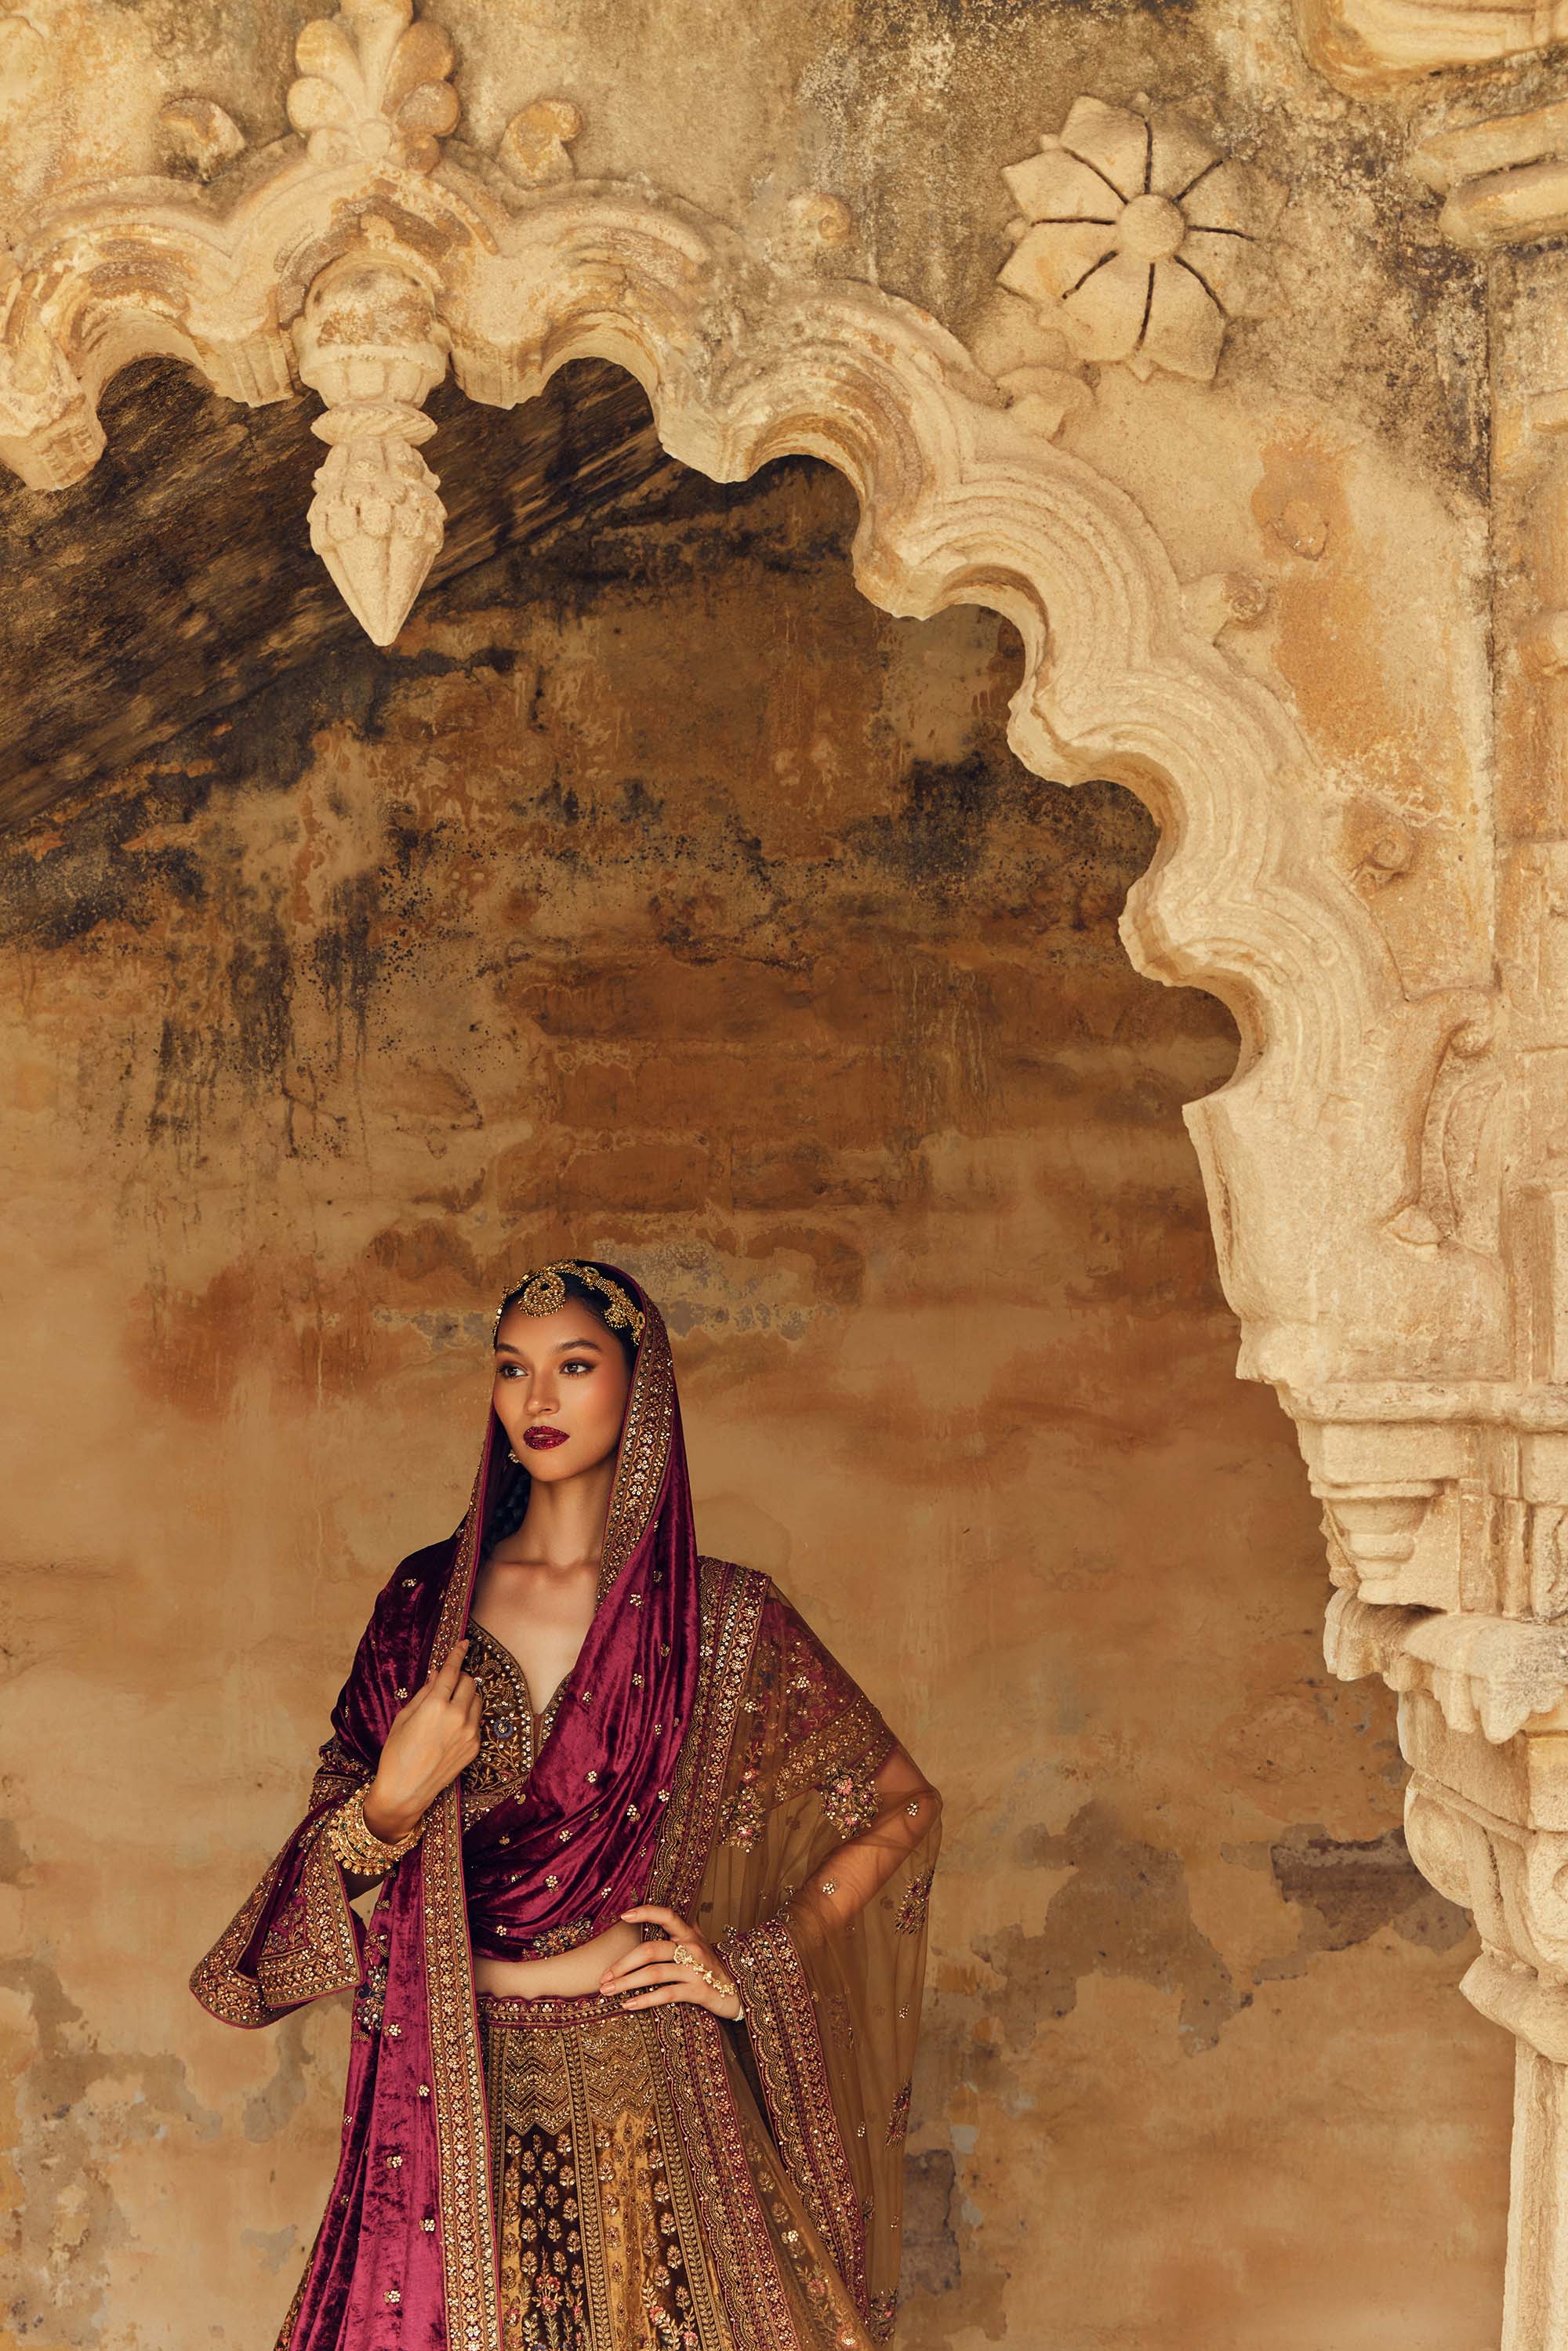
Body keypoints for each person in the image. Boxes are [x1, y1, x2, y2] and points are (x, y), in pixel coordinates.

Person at [191, 1258, 942, 2351]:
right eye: (513, 1369)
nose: (536, 1399)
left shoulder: (724, 1620)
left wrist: (756, 1962)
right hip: (454, 2084)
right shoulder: (424, 1606)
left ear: (643, 1388)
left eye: (575, 1366)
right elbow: (329, 1853)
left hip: (652, 2090)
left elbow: (902, 1807)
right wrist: (394, 1801)